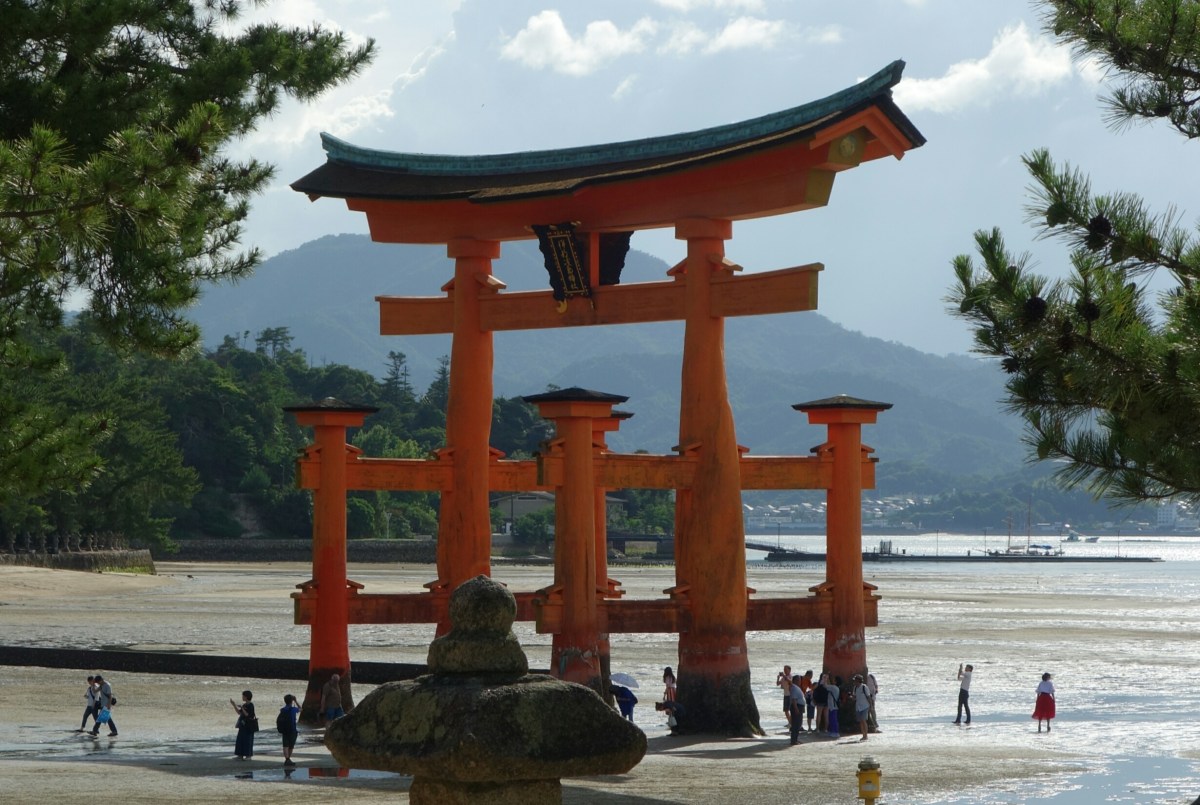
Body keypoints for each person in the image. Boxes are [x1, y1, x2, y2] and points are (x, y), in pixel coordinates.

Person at [230, 689, 257, 760]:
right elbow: (239, 713)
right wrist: (234, 705)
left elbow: (247, 715)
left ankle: (248, 756)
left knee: (248, 740)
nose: (242, 697)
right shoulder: (244, 705)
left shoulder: (251, 705)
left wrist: (242, 708)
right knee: (240, 740)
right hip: (242, 725)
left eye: (243, 696)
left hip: (248, 726)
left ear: (246, 697)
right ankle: (240, 755)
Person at [278, 693, 300, 765]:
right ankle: (288, 759)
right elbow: (301, 709)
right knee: (291, 746)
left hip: (284, 730)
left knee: (285, 745)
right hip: (292, 730)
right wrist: (296, 701)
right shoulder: (294, 709)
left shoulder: (282, 710)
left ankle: (287, 759)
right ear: (291, 701)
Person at [853, 674, 872, 741]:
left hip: (865, 706)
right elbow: (855, 697)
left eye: (855, 680)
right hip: (858, 707)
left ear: (858, 681)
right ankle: (863, 734)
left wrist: (870, 706)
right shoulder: (855, 688)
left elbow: (868, 697)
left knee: (864, 720)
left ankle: (865, 735)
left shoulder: (864, 687)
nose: (854, 682)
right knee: (861, 721)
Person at [788, 675, 806, 745]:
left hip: (799, 706)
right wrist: (796, 709)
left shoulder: (796, 687)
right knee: (796, 724)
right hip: (797, 707)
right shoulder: (794, 688)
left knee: (798, 724)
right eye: (799, 680)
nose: (800, 681)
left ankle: (795, 739)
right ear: (795, 680)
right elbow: (794, 700)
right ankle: (793, 741)